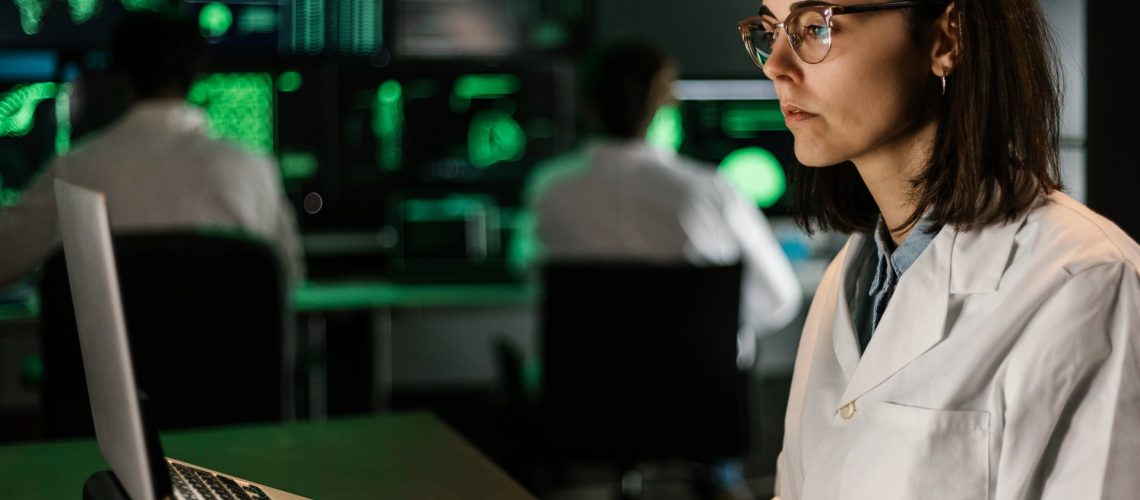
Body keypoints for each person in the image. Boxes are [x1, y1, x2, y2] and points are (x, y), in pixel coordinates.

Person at [737, 0, 1140, 498]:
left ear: (946, 39)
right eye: (770, 30)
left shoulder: (1088, 282)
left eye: (815, 27)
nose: (776, 64)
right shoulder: (852, 279)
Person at [514, 40, 803, 499]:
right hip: (701, 410)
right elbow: (779, 300)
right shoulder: (712, 191)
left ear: (587, 106)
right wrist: (702, 325)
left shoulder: (549, 189)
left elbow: (531, 277)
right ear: (663, 107)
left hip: (581, 409)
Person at [0, 10, 304, 287]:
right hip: (228, 348)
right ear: (196, 76)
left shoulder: (75, 170)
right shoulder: (255, 168)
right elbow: (290, 281)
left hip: (111, 350)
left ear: (121, 77)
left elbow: (5, 255)